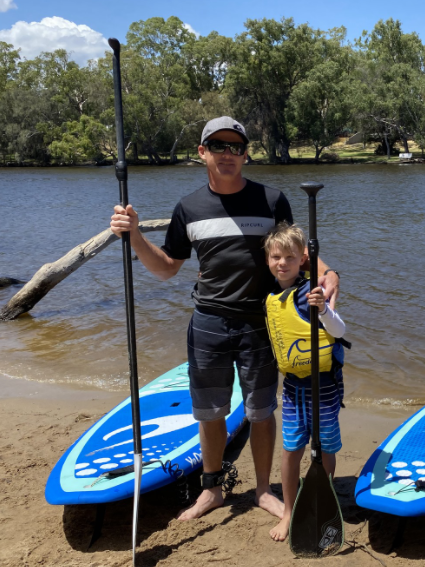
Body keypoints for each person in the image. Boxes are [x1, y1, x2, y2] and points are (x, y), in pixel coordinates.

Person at [109, 116, 341, 521]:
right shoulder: (188, 208)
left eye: (236, 146)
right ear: (203, 153)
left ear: (246, 154)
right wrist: (135, 236)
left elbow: (297, 253)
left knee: (262, 410)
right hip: (209, 322)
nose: (228, 154)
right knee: (210, 410)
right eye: (218, 145)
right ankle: (212, 488)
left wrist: (329, 271)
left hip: (262, 323)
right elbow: (166, 268)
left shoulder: (272, 201)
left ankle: (264, 490)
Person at [261, 222, 347, 542]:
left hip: (323, 388)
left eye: (290, 257)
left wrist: (323, 309)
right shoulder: (272, 295)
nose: (282, 263)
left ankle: (321, 501)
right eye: (276, 257)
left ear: (303, 260)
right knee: (291, 449)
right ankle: (288, 511)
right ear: (268, 260)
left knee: (323, 447)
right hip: (293, 388)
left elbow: (338, 331)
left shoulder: (310, 292)